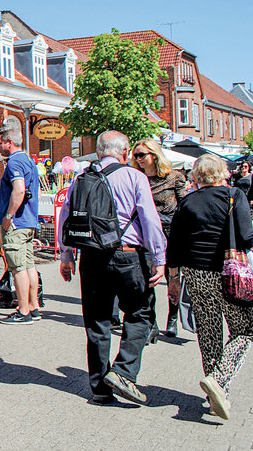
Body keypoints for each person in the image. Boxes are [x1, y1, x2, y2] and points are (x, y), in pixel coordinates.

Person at [57, 130, 166, 405]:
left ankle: (100, 390)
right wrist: (159, 258)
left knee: (97, 321)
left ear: (98, 152)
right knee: (140, 314)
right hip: (127, 255)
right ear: (126, 151)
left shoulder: (81, 179)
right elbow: (150, 220)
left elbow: (66, 217)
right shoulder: (135, 177)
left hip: (91, 256)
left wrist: (66, 255)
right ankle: (124, 372)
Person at [166, 154, 253, 420]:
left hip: (195, 272)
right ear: (223, 173)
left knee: (208, 331)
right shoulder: (233, 195)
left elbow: (175, 244)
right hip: (228, 272)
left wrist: (173, 278)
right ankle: (220, 379)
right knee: (245, 329)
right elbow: (246, 236)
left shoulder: (188, 201)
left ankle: (216, 391)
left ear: (196, 176)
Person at [130, 138, 188, 338]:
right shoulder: (137, 178)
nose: (138, 159)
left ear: (154, 155)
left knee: (172, 276)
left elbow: (184, 207)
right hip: (147, 234)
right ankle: (151, 322)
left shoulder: (174, 177)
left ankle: (173, 318)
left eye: (142, 155)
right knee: (148, 278)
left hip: (171, 232)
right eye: (136, 156)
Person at [0, 123, 42, 324]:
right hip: (29, 220)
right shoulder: (28, 161)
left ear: (9, 142)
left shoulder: (14, 162)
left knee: (18, 267)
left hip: (17, 222)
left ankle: (23, 310)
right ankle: (33, 305)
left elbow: (19, 190)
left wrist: (8, 216)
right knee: (29, 265)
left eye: (0, 143)